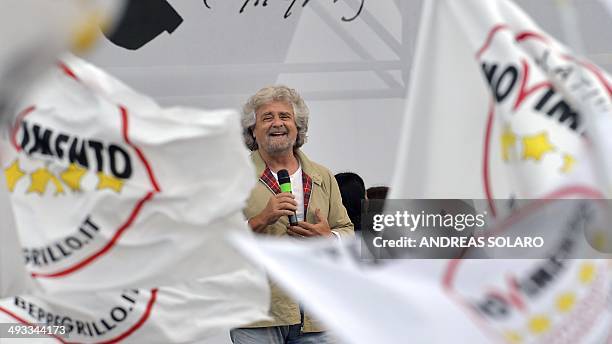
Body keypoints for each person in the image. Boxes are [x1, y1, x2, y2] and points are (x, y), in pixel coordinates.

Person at [231, 85, 354, 344]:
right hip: (258, 314)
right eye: (267, 117)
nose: (277, 123)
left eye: (285, 117)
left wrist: (328, 237)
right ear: (252, 130)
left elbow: (347, 230)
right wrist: (260, 220)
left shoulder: (322, 176)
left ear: (298, 128)